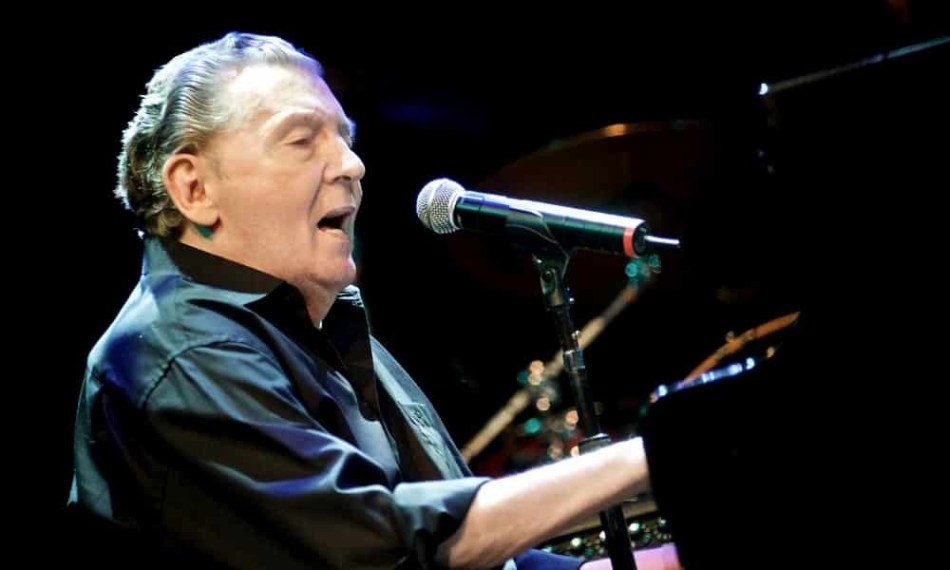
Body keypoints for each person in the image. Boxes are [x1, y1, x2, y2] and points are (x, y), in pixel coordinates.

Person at [67, 31, 681, 570]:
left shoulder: (327, 332)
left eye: (346, 138)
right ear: (194, 188)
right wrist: (659, 454)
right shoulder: (179, 352)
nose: (352, 165)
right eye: (301, 140)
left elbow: (452, 551)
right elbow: (378, 544)